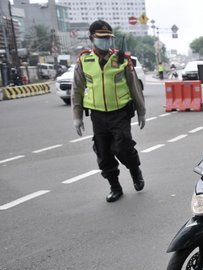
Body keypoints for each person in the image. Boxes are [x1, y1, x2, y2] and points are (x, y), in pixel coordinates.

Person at [71, 20, 146, 203]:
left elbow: (134, 86)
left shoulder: (121, 59)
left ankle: (135, 171)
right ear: (91, 38)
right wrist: (77, 116)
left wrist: (141, 111)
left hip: (120, 112)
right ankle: (115, 187)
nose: (105, 41)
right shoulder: (84, 60)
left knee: (123, 147)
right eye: (101, 38)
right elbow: (77, 90)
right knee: (103, 153)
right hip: (97, 115)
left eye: (108, 38)